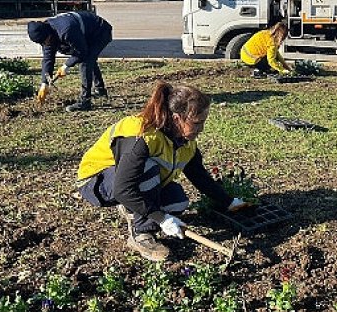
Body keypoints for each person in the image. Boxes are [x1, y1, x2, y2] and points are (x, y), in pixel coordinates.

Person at [75, 81, 248, 261]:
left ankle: (133, 207)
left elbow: (199, 176)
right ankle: (141, 234)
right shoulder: (141, 135)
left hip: (129, 182)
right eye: (197, 123)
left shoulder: (185, 142)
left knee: (178, 201)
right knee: (147, 170)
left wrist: (229, 201)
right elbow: (123, 188)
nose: (201, 129)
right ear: (176, 119)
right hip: (96, 182)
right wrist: (161, 219)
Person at [27, 11, 113, 113]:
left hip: (100, 31)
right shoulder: (46, 32)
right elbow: (47, 59)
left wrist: (66, 66)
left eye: (46, 40)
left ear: (48, 33)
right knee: (89, 58)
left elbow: (81, 52)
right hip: (84, 32)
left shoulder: (66, 30)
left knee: (86, 60)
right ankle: (100, 90)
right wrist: (44, 83)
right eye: (43, 43)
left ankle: (85, 102)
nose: (46, 43)